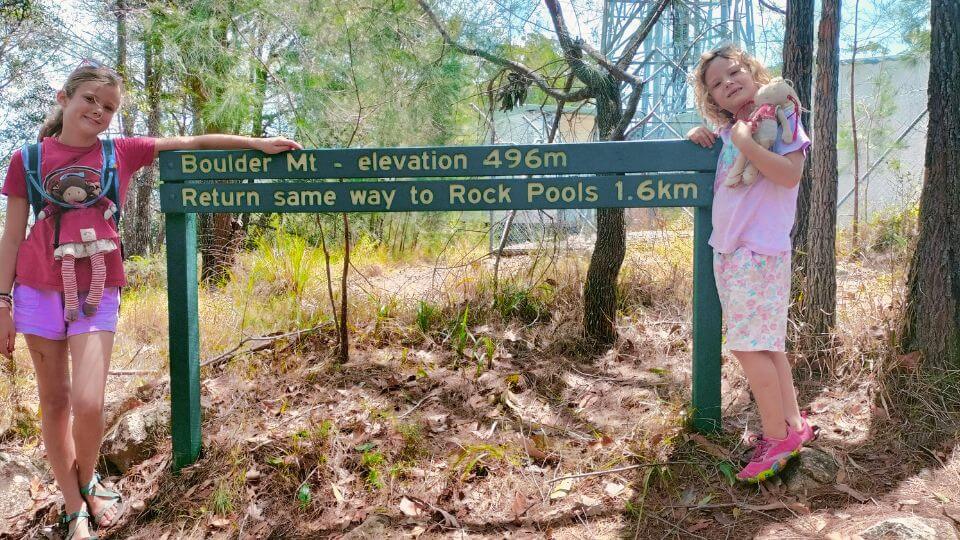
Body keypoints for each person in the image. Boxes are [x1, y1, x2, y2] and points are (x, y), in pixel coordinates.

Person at [0, 59, 302, 539]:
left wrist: (258, 145)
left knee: (89, 402)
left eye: (109, 106)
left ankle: (88, 480)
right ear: (65, 98)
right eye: (90, 100)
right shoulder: (28, 159)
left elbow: (193, 143)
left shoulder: (120, 152)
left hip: (99, 289)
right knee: (56, 403)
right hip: (35, 290)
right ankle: (75, 505)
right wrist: (2, 303)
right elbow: (13, 234)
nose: (98, 111)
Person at [685, 44, 817, 483]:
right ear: (713, 100)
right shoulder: (730, 132)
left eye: (734, 72)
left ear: (754, 71)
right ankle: (793, 427)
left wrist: (744, 141)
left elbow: (789, 174)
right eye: (717, 84)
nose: (728, 83)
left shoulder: (781, 115)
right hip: (732, 250)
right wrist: (700, 135)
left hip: (756, 250)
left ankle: (776, 438)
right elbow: (724, 147)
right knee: (766, 344)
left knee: (747, 346)